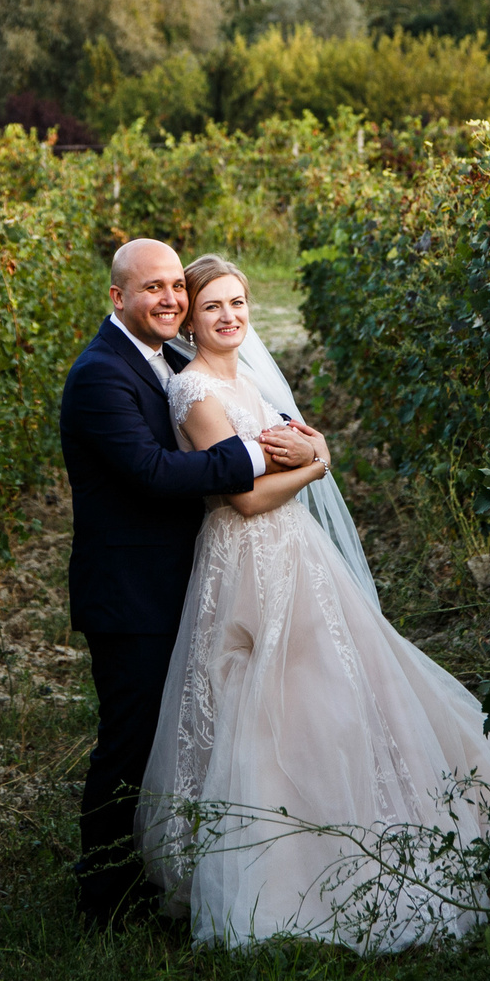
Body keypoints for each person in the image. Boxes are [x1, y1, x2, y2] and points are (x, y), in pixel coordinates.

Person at [138, 254, 490, 949]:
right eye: (213, 304)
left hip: (296, 549)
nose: (230, 316)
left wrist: (311, 455)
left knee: (337, 683)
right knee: (255, 691)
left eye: (239, 302)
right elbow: (244, 498)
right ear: (191, 313)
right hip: (246, 553)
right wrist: (316, 464)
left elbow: (291, 456)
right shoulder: (193, 390)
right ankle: (271, 869)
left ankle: (357, 825)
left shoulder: (247, 377)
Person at [57, 238, 320, 931]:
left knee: (177, 728)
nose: (170, 298)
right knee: (129, 738)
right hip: (130, 591)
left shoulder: (161, 356)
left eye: (177, 284)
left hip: (178, 576)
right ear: (118, 298)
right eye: (153, 288)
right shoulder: (99, 375)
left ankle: (170, 863)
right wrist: (262, 449)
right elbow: (152, 472)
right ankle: (104, 895)